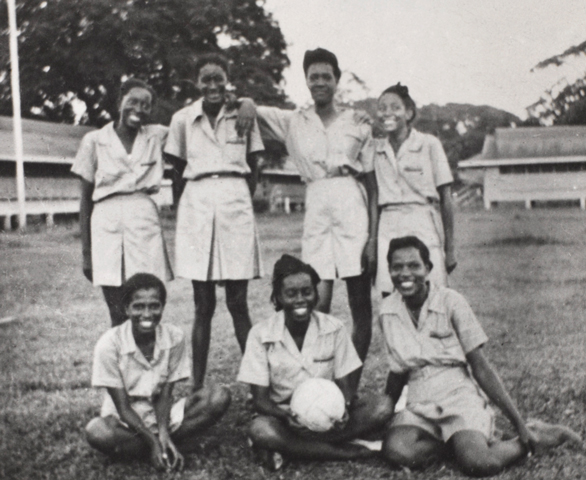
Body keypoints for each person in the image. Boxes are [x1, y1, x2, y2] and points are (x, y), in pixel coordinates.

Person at [380, 236, 582, 477]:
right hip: (418, 400)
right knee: (397, 451)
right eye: (397, 266)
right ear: (389, 270)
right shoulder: (387, 310)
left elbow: (481, 368)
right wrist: (383, 416)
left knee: (481, 463)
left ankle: (536, 434)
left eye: (413, 265)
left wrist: (517, 422)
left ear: (428, 269)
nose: (405, 273)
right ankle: (456, 444)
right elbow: (398, 370)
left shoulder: (451, 302)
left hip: (458, 393)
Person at [239, 48, 377, 365]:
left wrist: (372, 238)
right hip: (316, 203)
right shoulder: (293, 121)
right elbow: (254, 110)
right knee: (316, 299)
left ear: (336, 80)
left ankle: (349, 383)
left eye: (326, 76)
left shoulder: (357, 122)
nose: (319, 82)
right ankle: (315, 377)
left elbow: (373, 187)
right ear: (306, 81)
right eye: (313, 77)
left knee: (360, 303)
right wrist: (247, 101)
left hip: (350, 205)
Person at [164, 53, 265, 390]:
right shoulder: (182, 119)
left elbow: (255, 164)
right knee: (202, 304)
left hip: (235, 201)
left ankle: (258, 383)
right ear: (196, 83)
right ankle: (196, 387)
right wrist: (194, 203)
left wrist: (235, 196)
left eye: (218, 78)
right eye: (205, 79)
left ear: (227, 79)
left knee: (238, 302)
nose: (212, 86)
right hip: (198, 203)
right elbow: (177, 170)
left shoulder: (244, 114)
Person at [238, 254, 393, 470]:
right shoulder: (260, 334)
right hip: (284, 419)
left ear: (316, 293)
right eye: (291, 294)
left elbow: (347, 387)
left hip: (328, 418)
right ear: (278, 297)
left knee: (382, 407)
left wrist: (344, 408)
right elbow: (260, 401)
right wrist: (288, 416)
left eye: (307, 291)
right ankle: (340, 451)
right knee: (260, 430)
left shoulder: (334, 328)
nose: (300, 299)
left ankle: (294, 449)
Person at [85, 273, 231, 472]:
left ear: (163, 306)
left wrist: (162, 432)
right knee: (97, 431)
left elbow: (165, 394)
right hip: (125, 420)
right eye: (138, 306)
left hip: (161, 415)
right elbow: (123, 408)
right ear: (126, 308)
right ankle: (163, 447)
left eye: (154, 306)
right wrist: (154, 442)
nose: (147, 314)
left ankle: (158, 445)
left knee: (218, 396)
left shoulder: (173, 337)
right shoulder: (109, 344)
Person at [72, 78, 173, 326]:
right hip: (106, 222)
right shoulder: (94, 140)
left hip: (143, 221)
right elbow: (85, 199)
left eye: (145, 105)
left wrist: (244, 103)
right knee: (117, 310)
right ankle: (121, 362)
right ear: (119, 102)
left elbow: (190, 129)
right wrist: (87, 254)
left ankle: (149, 361)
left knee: (148, 305)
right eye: (132, 102)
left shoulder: (157, 136)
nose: (139, 109)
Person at [373, 83, 456, 295]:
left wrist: (450, 248)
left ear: (409, 113)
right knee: (389, 293)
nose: (387, 113)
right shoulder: (375, 149)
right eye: (382, 108)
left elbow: (446, 198)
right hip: (388, 224)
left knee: (431, 292)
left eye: (395, 107)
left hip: (423, 221)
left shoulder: (429, 144)